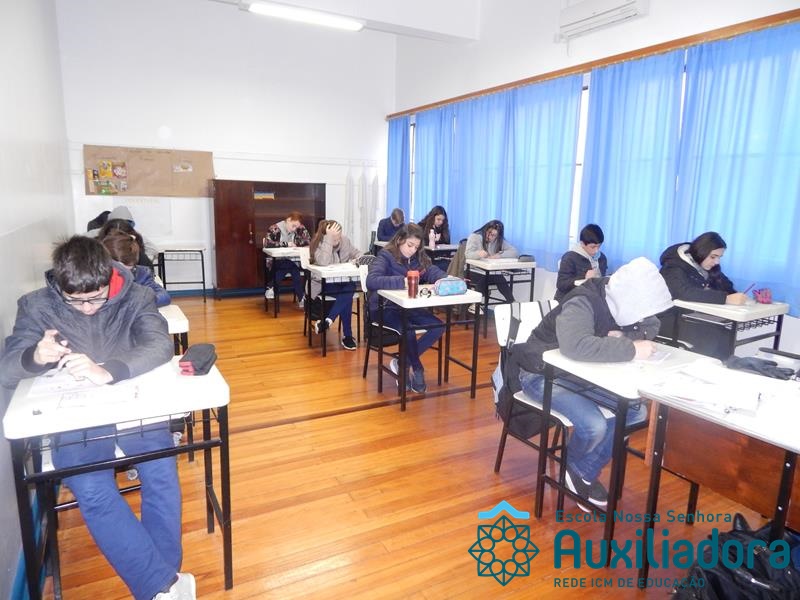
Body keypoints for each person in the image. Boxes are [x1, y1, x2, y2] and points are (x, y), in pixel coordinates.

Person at [0, 236, 193, 600]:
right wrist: (35, 356)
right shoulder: (36, 306)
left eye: (96, 298)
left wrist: (110, 370)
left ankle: (159, 585)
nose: (88, 308)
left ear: (109, 277)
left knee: (161, 473)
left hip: (134, 404)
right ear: (59, 284)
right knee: (90, 486)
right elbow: (7, 368)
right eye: (75, 300)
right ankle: (164, 586)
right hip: (75, 416)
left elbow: (159, 344)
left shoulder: (136, 296)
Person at [499, 257, 673, 512]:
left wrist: (626, 336)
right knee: (594, 426)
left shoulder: (622, 297)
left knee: (636, 413)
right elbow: (575, 346)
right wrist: (630, 348)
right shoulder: (583, 301)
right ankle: (579, 472)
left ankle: (579, 470)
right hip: (540, 373)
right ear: (630, 299)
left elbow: (651, 325)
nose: (643, 315)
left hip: (582, 375)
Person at [366, 223, 449, 393]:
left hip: (406, 307)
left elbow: (432, 270)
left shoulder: (417, 259)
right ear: (399, 240)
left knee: (438, 326)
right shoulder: (385, 255)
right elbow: (371, 280)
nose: (412, 250)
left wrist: (445, 279)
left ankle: (402, 363)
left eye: (416, 247)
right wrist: (402, 282)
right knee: (407, 329)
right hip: (383, 308)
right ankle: (417, 368)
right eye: (410, 245)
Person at [658, 231, 748, 359]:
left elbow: (726, 286)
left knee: (725, 334)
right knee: (713, 337)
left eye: (719, 257)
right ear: (701, 252)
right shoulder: (673, 266)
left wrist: (737, 295)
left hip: (688, 316)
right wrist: (725, 299)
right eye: (713, 257)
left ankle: (721, 367)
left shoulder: (706, 266)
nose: (716, 262)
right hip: (668, 319)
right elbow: (684, 292)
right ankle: (706, 368)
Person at [309, 220, 362, 351]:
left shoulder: (345, 241)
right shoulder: (318, 243)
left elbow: (358, 253)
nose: (338, 240)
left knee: (349, 288)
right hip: (322, 285)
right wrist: (328, 239)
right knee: (346, 295)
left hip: (340, 283)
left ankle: (328, 321)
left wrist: (358, 259)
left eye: (339, 236)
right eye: (334, 237)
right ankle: (347, 336)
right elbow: (323, 261)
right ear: (326, 234)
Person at [101, 230, 171, 307]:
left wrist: (137, 302)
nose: (126, 274)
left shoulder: (141, 273)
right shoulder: (97, 276)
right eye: (121, 270)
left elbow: (164, 296)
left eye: (131, 269)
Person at [464, 219, 519, 303]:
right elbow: (467, 255)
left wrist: (499, 255)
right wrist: (478, 254)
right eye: (489, 233)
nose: (490, 237)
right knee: (490, 276)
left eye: (493, 235)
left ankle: (512, 302)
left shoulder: (498, 241)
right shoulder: (475, 237)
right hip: (472, 270)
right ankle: (476, 303)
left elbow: (514, 252)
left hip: (488, 272)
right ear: (485, 229)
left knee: (497, 276)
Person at [263, 211, 311, 307]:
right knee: (291, 267)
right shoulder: (275, 228)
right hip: (276, 261)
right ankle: (301, 298)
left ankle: (271, 286)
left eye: (297, 227)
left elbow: (308, 242)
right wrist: (286, 244)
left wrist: (299, 245)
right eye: (293, 226)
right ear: (288, 220)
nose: (295, 229)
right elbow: (268, 244)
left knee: (292, 267)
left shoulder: (300, 228)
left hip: (295, 260)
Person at [555, 224, 608, 302]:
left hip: (589, 299)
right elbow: (561, 284)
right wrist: (584, 277)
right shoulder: (570, 257)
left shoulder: (601, 258)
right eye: (593, 247)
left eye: (599, 246)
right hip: (569, 300)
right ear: (582, 244)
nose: (596, 250)